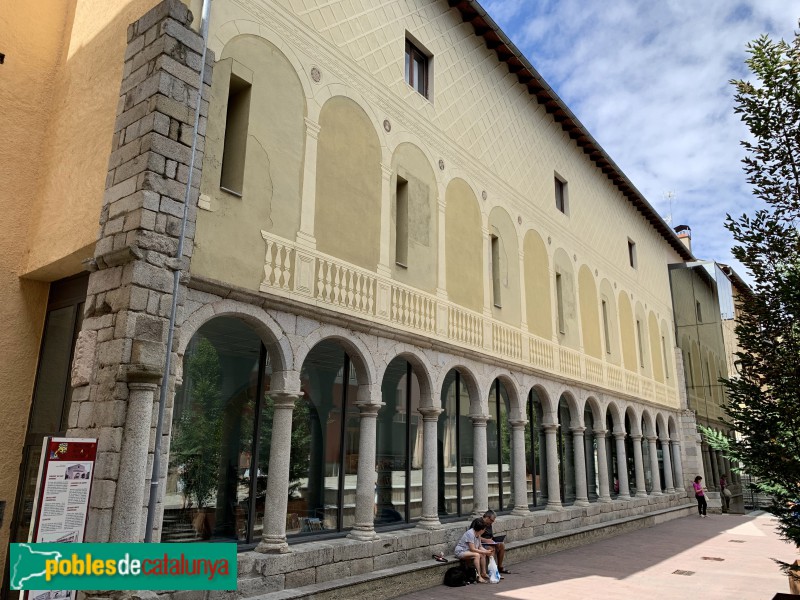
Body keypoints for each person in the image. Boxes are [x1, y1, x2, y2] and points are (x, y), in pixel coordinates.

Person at [454, 517, 493, 583]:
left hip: (468, 551)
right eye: (484, 530)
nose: (484, 531)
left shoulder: (478, 534)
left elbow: (480, 546)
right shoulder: (470, 534)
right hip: (461, 551)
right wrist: (485, 551)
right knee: (477, 555)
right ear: (481, 530)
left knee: (482, 554)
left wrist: (486, 552)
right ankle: (479, 576)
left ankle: (483, 573)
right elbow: (472, 549)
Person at [481, 510, 509, 574]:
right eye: (491, 520)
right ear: (487, 517)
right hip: (481, 543)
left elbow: (490, 535)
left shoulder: (489, 524)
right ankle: (493, 571)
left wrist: (495, 541)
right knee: (491, 549)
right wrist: (486, 540)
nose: (492, 522)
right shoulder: (478, 522)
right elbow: (474, 537)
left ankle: (500, 567)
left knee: (501, 544)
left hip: (489, 541)